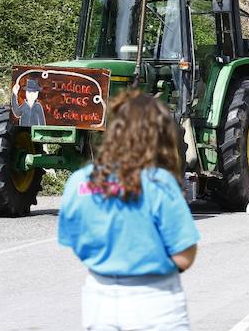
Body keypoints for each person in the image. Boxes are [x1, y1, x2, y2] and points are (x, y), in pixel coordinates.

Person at [58, 91, 200, 331]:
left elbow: (73, 240)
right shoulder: (159, 183)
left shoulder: (79, 181)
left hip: (99, 299)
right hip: (155, 300)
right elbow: (185, 255)